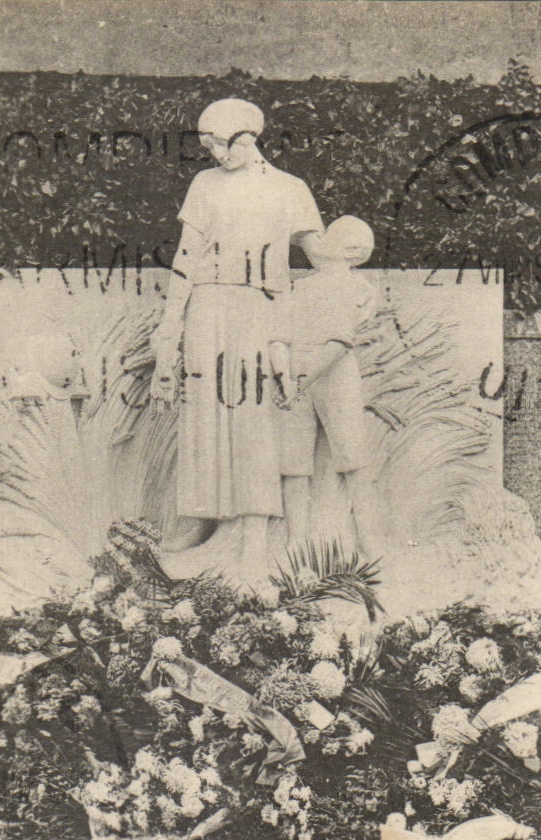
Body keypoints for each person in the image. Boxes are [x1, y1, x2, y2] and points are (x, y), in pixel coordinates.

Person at [149, 97, 325, 585]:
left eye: (221, 145)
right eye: (208, 148)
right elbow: (186, 259)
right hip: (208, 307)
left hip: (260, 308)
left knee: (254, 421)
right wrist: (170, 329)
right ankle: (202, 525)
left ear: (248, 138)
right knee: (205, 416)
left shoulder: (290, 190)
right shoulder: (205, 185)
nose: (215, 156)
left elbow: (322, 259)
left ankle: (252, 544)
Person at [278, 215, 383, 559]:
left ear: (351, 251)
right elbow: (283, 332)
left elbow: (339, 341)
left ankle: (371, 543)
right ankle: (296, 542)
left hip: (334, 374)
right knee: (294, 462)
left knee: (353, 458)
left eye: (331, 234)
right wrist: (288, 376)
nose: (321, 239)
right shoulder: (304, 286)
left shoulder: (358, 290)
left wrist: (302, 378)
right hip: (296, 375)